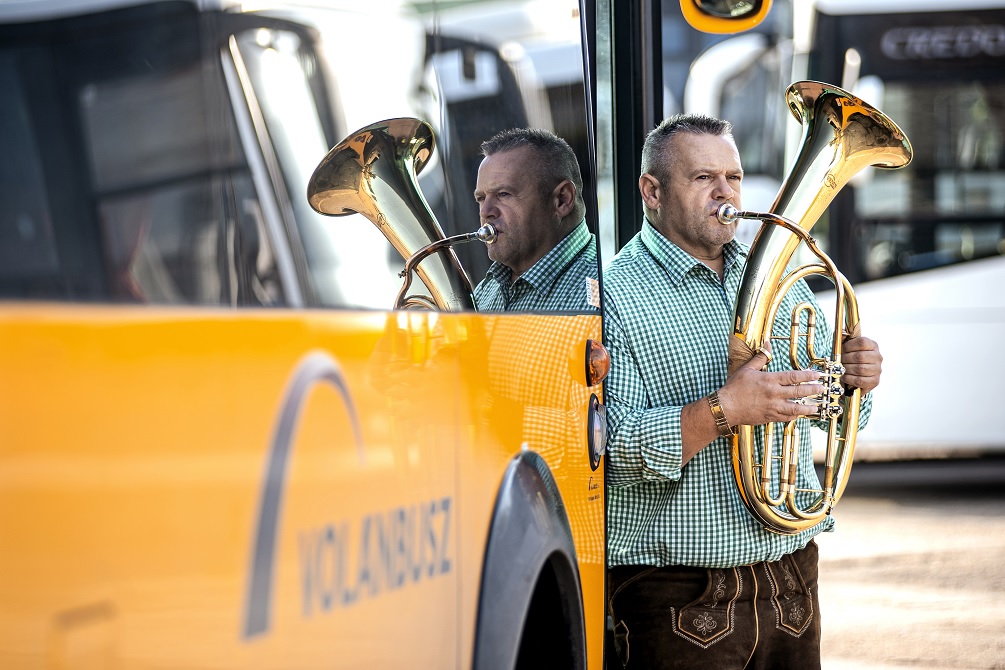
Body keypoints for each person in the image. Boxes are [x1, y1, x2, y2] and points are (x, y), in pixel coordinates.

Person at [602, 113, 884, 669]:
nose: (726, 192)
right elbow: (612, 450)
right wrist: (725, 409)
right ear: (651, 192)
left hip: (792, 577)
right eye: (703, 178)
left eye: (734, 176)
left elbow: (823, 411)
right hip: (679, 594)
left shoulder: (773, 270)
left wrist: (854, 384)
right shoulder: (612, 295)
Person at [473, 127, 599, 312]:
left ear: (562, 200)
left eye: (503, 194)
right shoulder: (485, 290)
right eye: (481, 198)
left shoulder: (607, 286)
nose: (486, 212)